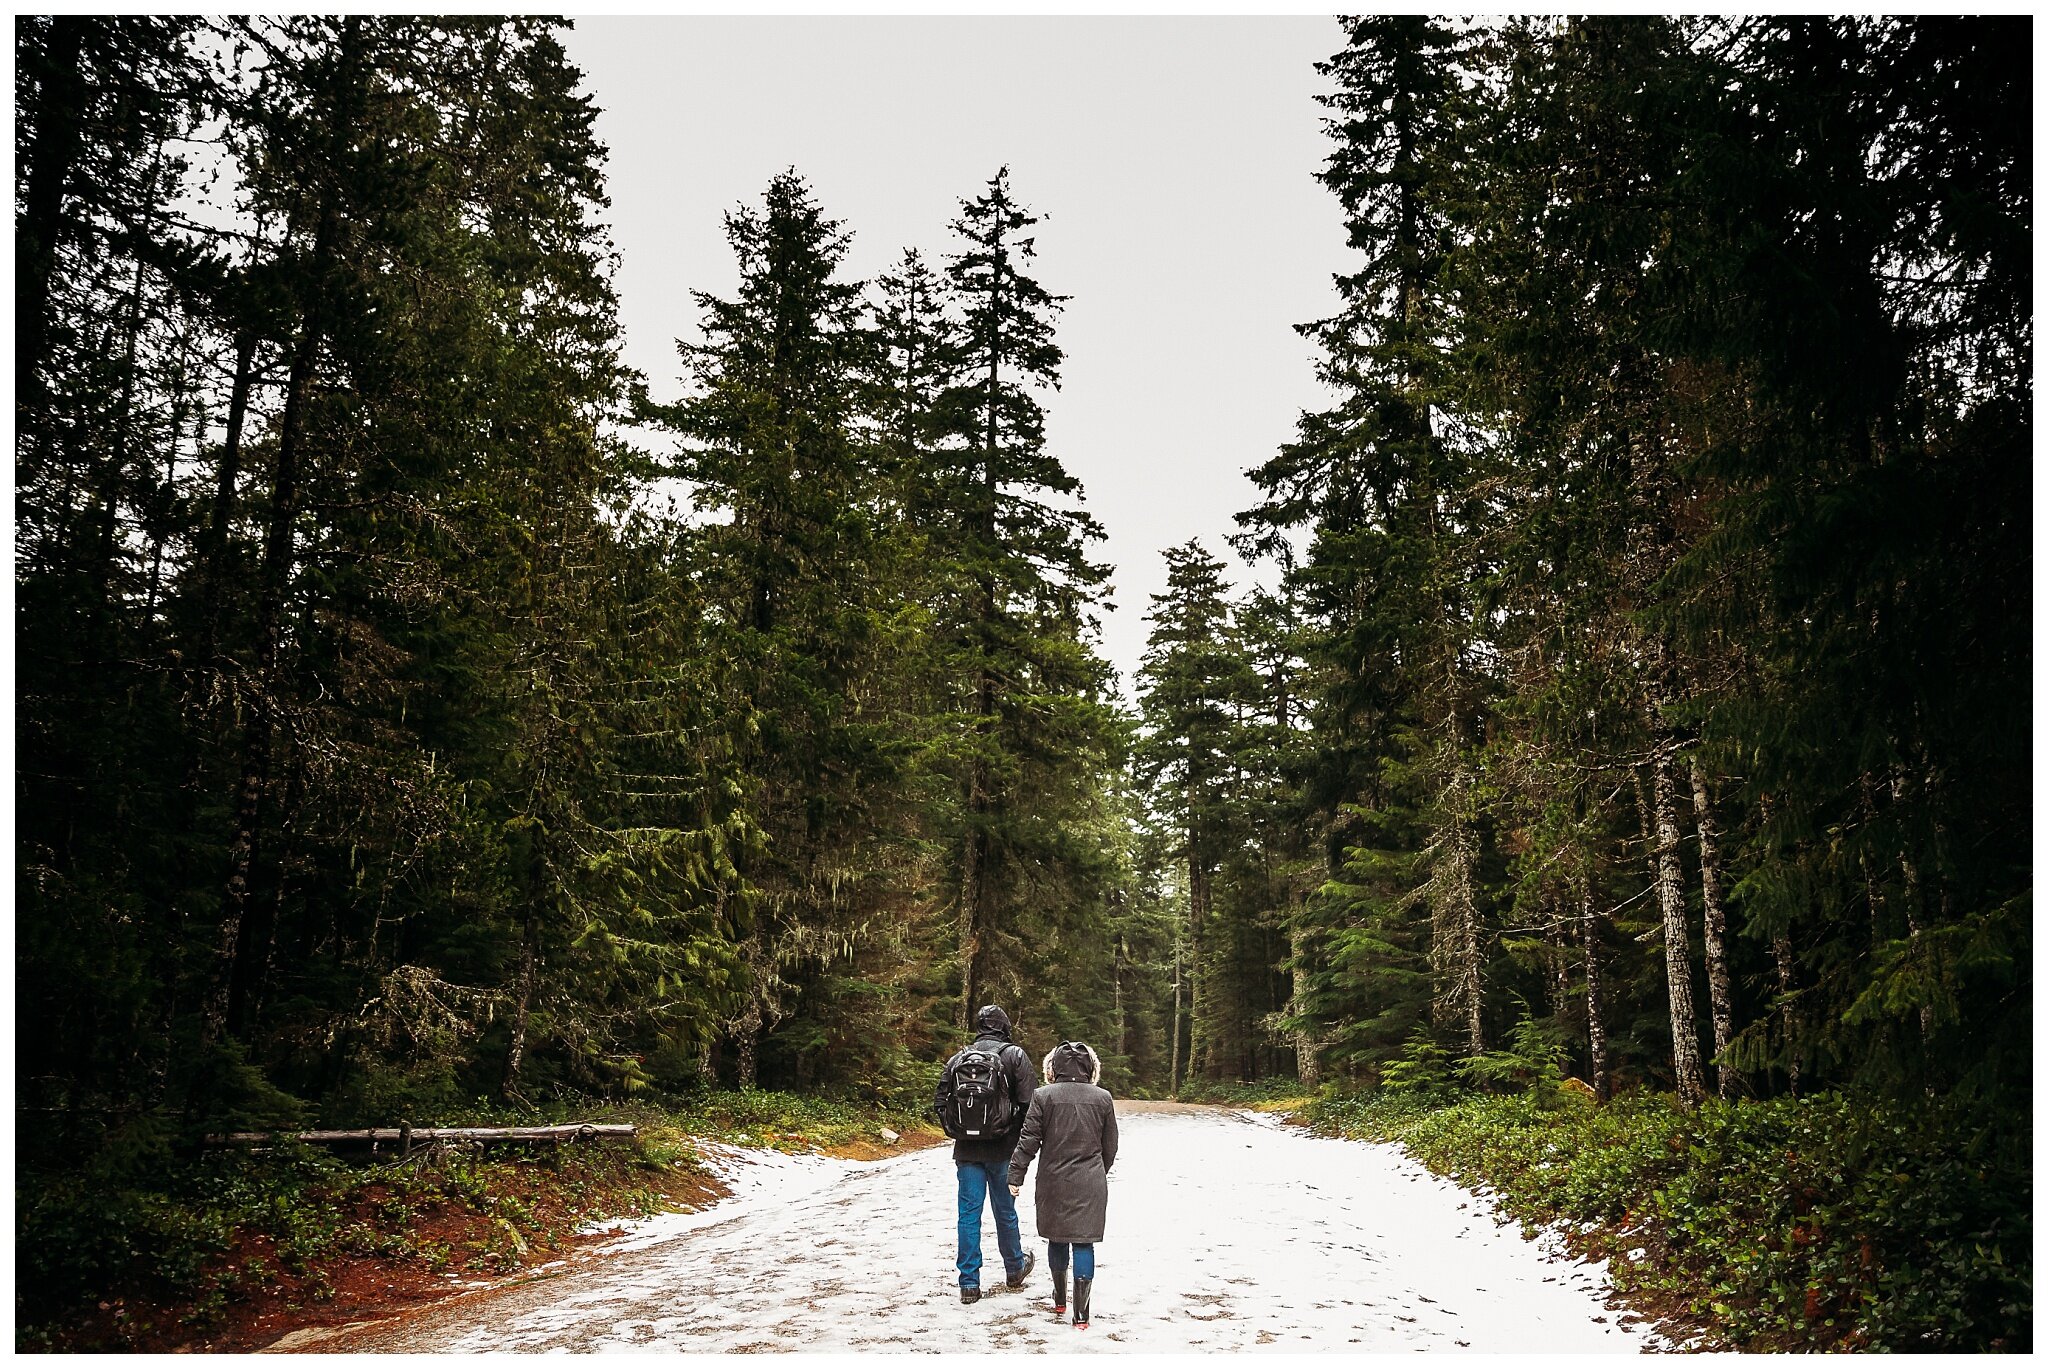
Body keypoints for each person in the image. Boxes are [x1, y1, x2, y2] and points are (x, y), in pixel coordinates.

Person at [1007, 1040, 1118, 1330]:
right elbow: (1111, 1147)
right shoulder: (1103, 1098)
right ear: (1091, 1068)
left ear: (1052, 1068)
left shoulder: (1043, 1097)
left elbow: (1028, 1141)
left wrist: (1015, 1175)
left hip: (1053, 1180)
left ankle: (1059, 1298)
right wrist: (1096, 1171)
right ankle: (1082, 1315)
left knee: (1056, 1239)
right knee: (1084, 1243)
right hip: (1090, 1181)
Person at [934, 1003, 1037, 1304]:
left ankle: (969, 1283)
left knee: (968, 1215)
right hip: (1004, 1149)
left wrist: (957, 1130)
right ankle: (1014, 1268)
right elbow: (1031, 1104)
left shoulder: (959, 1058)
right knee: (1005, 1212)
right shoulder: (1013, 1055)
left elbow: (940, 1102)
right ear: (1004, 1025)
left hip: (966, 1151)